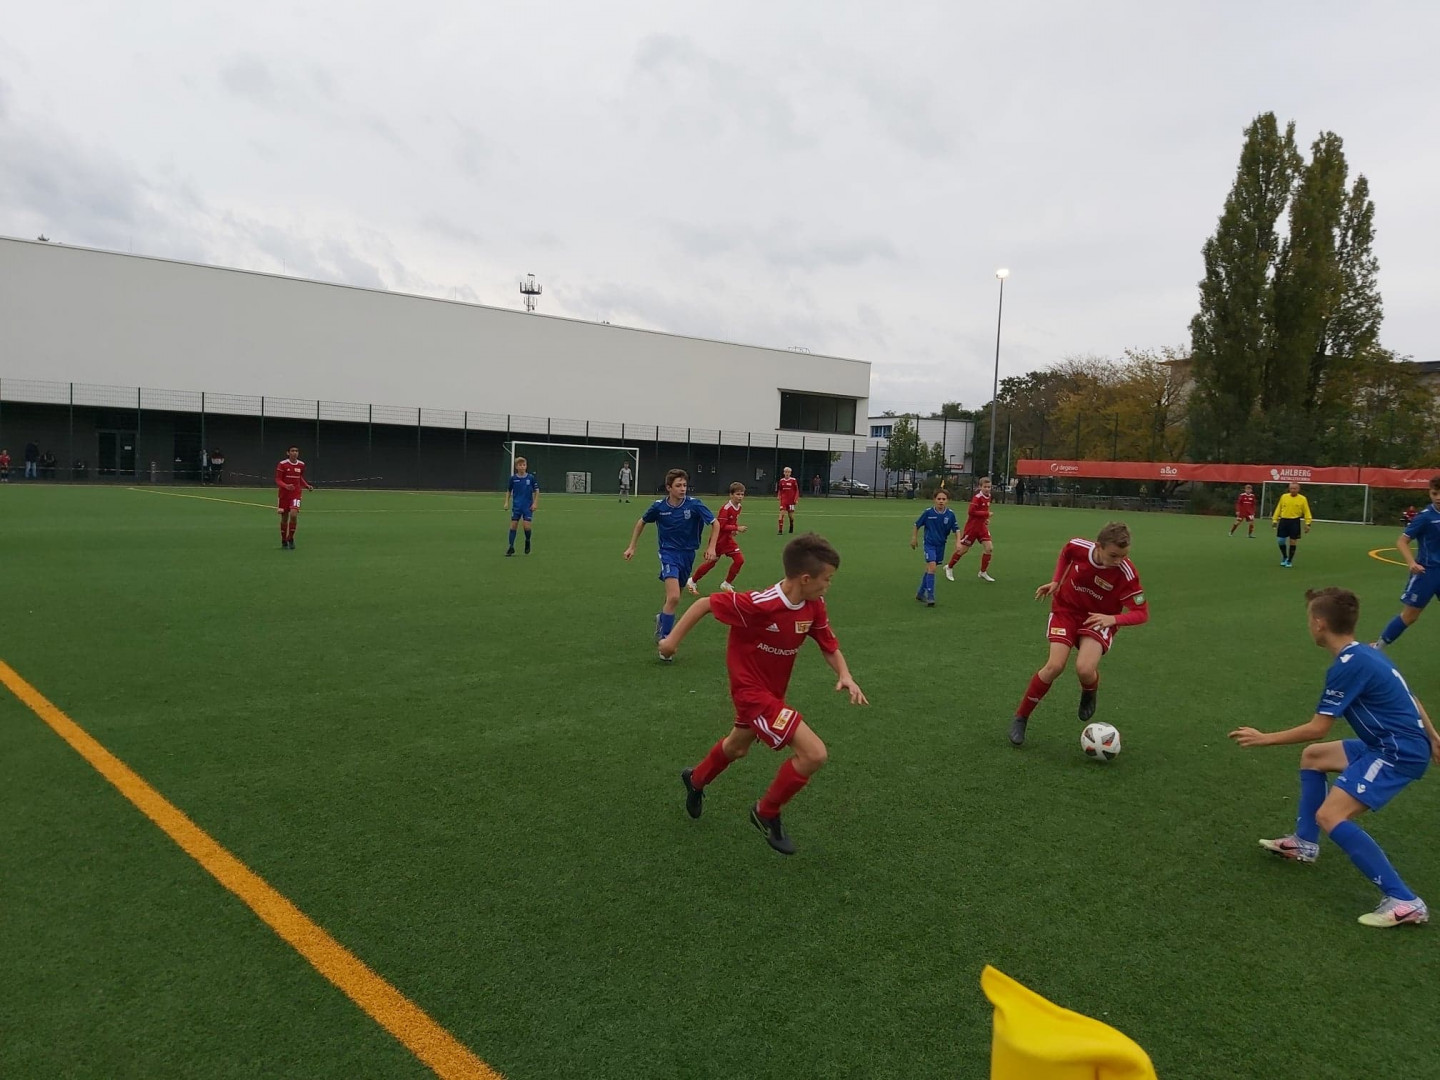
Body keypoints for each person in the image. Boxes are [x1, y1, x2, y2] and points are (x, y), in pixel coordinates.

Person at [1230, 587, 1440, 927]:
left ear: (1319, 623)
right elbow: (1411, 696)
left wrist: (1264, 738)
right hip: (1389, 743)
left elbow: (1318, 728)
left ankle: (1405, 901)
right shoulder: (1366, 652)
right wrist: (1433, 736)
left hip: (1396, 751)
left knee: (1331, 815)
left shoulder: (1348, 665)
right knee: (1314, 757)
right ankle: (1304, 843)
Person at [663, 533, 868, 855]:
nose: (829, 585)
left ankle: (696, 779)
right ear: (805, 578)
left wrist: (845, 674)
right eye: (827, 579)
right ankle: (766, 811)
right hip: (751, 694)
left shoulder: (814, 605)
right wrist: (671, 642)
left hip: (773, 694)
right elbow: (704, 604)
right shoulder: (760, 604)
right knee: (814, 754)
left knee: (737, 747)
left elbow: (828, 644)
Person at [1009, 523, 1148, 747]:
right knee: (1054, 666)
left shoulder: (1126, 574)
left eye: (1124, 555)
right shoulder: (1078, 547)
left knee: (1084, 669)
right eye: (1114, 555)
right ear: (1099, 546)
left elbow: (1141, 613)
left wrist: (1113, 619)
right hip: (1066, 611)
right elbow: (1066, 553)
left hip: (1098, 619)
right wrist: (1056, 580)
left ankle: (1089, 690)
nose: (1119, 561)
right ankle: (1021, 717)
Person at [623, 468, 718, 644]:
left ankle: (662, 618)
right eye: (678, 485)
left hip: (688, 554)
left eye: (685, 485)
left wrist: (711, 547)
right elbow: (641, 522)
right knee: (674, 597)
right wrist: (632, 546)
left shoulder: (695, 505)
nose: (683, 489)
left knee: (674, 597)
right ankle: (666, 639)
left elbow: (715, 523)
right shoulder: (659, 507)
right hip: (668, 553)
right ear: (669, 487)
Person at [1372, 476, 1440, 650]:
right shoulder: (1424, 517)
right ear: (1429, 493)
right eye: (1435, 493)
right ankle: (1378, 647)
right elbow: (1402, 541)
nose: (1438, 497)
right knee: (1410, 616)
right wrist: (1411, 563)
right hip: (1427, 573)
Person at [689, 482, 747, 593]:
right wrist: (737, 528)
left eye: (742, 494)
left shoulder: (739, 507)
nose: (740, 497)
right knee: (711, 563)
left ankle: (726, 584)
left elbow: (732, 521)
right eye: (737, 494)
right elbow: (721, 526)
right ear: (731, 495)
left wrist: (733, 530)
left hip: (728, 540)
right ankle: (692, 580)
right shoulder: (726, 509)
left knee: (739, 560)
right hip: (719, 540)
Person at [911, 489, 960, 607]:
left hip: (941, 545)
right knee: (932, 567)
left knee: (930, 568)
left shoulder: (950, 514)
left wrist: (958, 542)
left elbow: (956, 529)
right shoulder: (928, 512)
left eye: (943, 499)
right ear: (934, 500)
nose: (941, 501)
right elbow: (917, 524)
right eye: (939, 499)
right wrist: (914, 538)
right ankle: (930, 596)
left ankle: (920, 593)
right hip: (929, 544)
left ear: (947, 501)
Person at [945, 476, 996, 582]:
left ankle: (982, 572)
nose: (987, 489)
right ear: (980, 487)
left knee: (989, 548)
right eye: (985, 487)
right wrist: (986, 514)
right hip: (972, 528)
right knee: (963, 550)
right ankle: (949, 567)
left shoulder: (988, 496)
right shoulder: (977, 497)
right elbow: (971, 512)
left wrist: (985, 519)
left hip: (982, 527)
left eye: (989, 487)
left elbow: (984, 509)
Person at [275, 445, 314, 550]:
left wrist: (306, 485)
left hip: (296, 494)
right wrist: (286, 486)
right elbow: (278, 479)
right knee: (284, 518)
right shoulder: (282, 464)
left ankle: (290, 538)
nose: (295, 452)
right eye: (292, 451)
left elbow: (299, 477)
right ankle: (284, 540)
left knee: (293, 514)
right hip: (284, 495)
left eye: (296, 451)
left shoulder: (301, 464)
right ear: (288, 453)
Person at [503, 457, 540, 556]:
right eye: (520, 465)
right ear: (516, 467)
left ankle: (527, 541)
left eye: (524, 465)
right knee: (513, 526)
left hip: (527, 507)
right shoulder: (513, 479)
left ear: (526, 466)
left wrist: (535, 503)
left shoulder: (530, 478)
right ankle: (511, 547)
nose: (522, 467)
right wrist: (506, 502)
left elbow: (536, 491)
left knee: (526, 527)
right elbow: (509, 491)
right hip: (517, 506)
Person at [1271, 481, 1312, 567]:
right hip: (1283, 521)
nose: (1293, 490)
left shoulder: (1302, 499)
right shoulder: (1284, 497)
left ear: (1298, 489)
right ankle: (1285, 557)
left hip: (1294, 522)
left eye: (1295, 488)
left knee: (1293, 541)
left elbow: (1306, 511)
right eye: (1291, 488)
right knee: (1280, 541)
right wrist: (1275, 520)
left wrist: (1308, 523)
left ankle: (1289, 560)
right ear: (1289, 489)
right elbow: (1279, 508)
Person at [776, 466, 800, 534]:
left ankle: (791, 526)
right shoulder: (781, 481)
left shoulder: (793, 480)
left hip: (791, 501)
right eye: (786, 472)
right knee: (781, 514)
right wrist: (778, 495)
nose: (787, 473)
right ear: (784, 473)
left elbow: (797, 490)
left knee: (791, 516)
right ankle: (780, 530)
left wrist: (796, 499)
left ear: (790, 473)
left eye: (788, 472)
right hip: (784, 501)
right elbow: (780, 489)